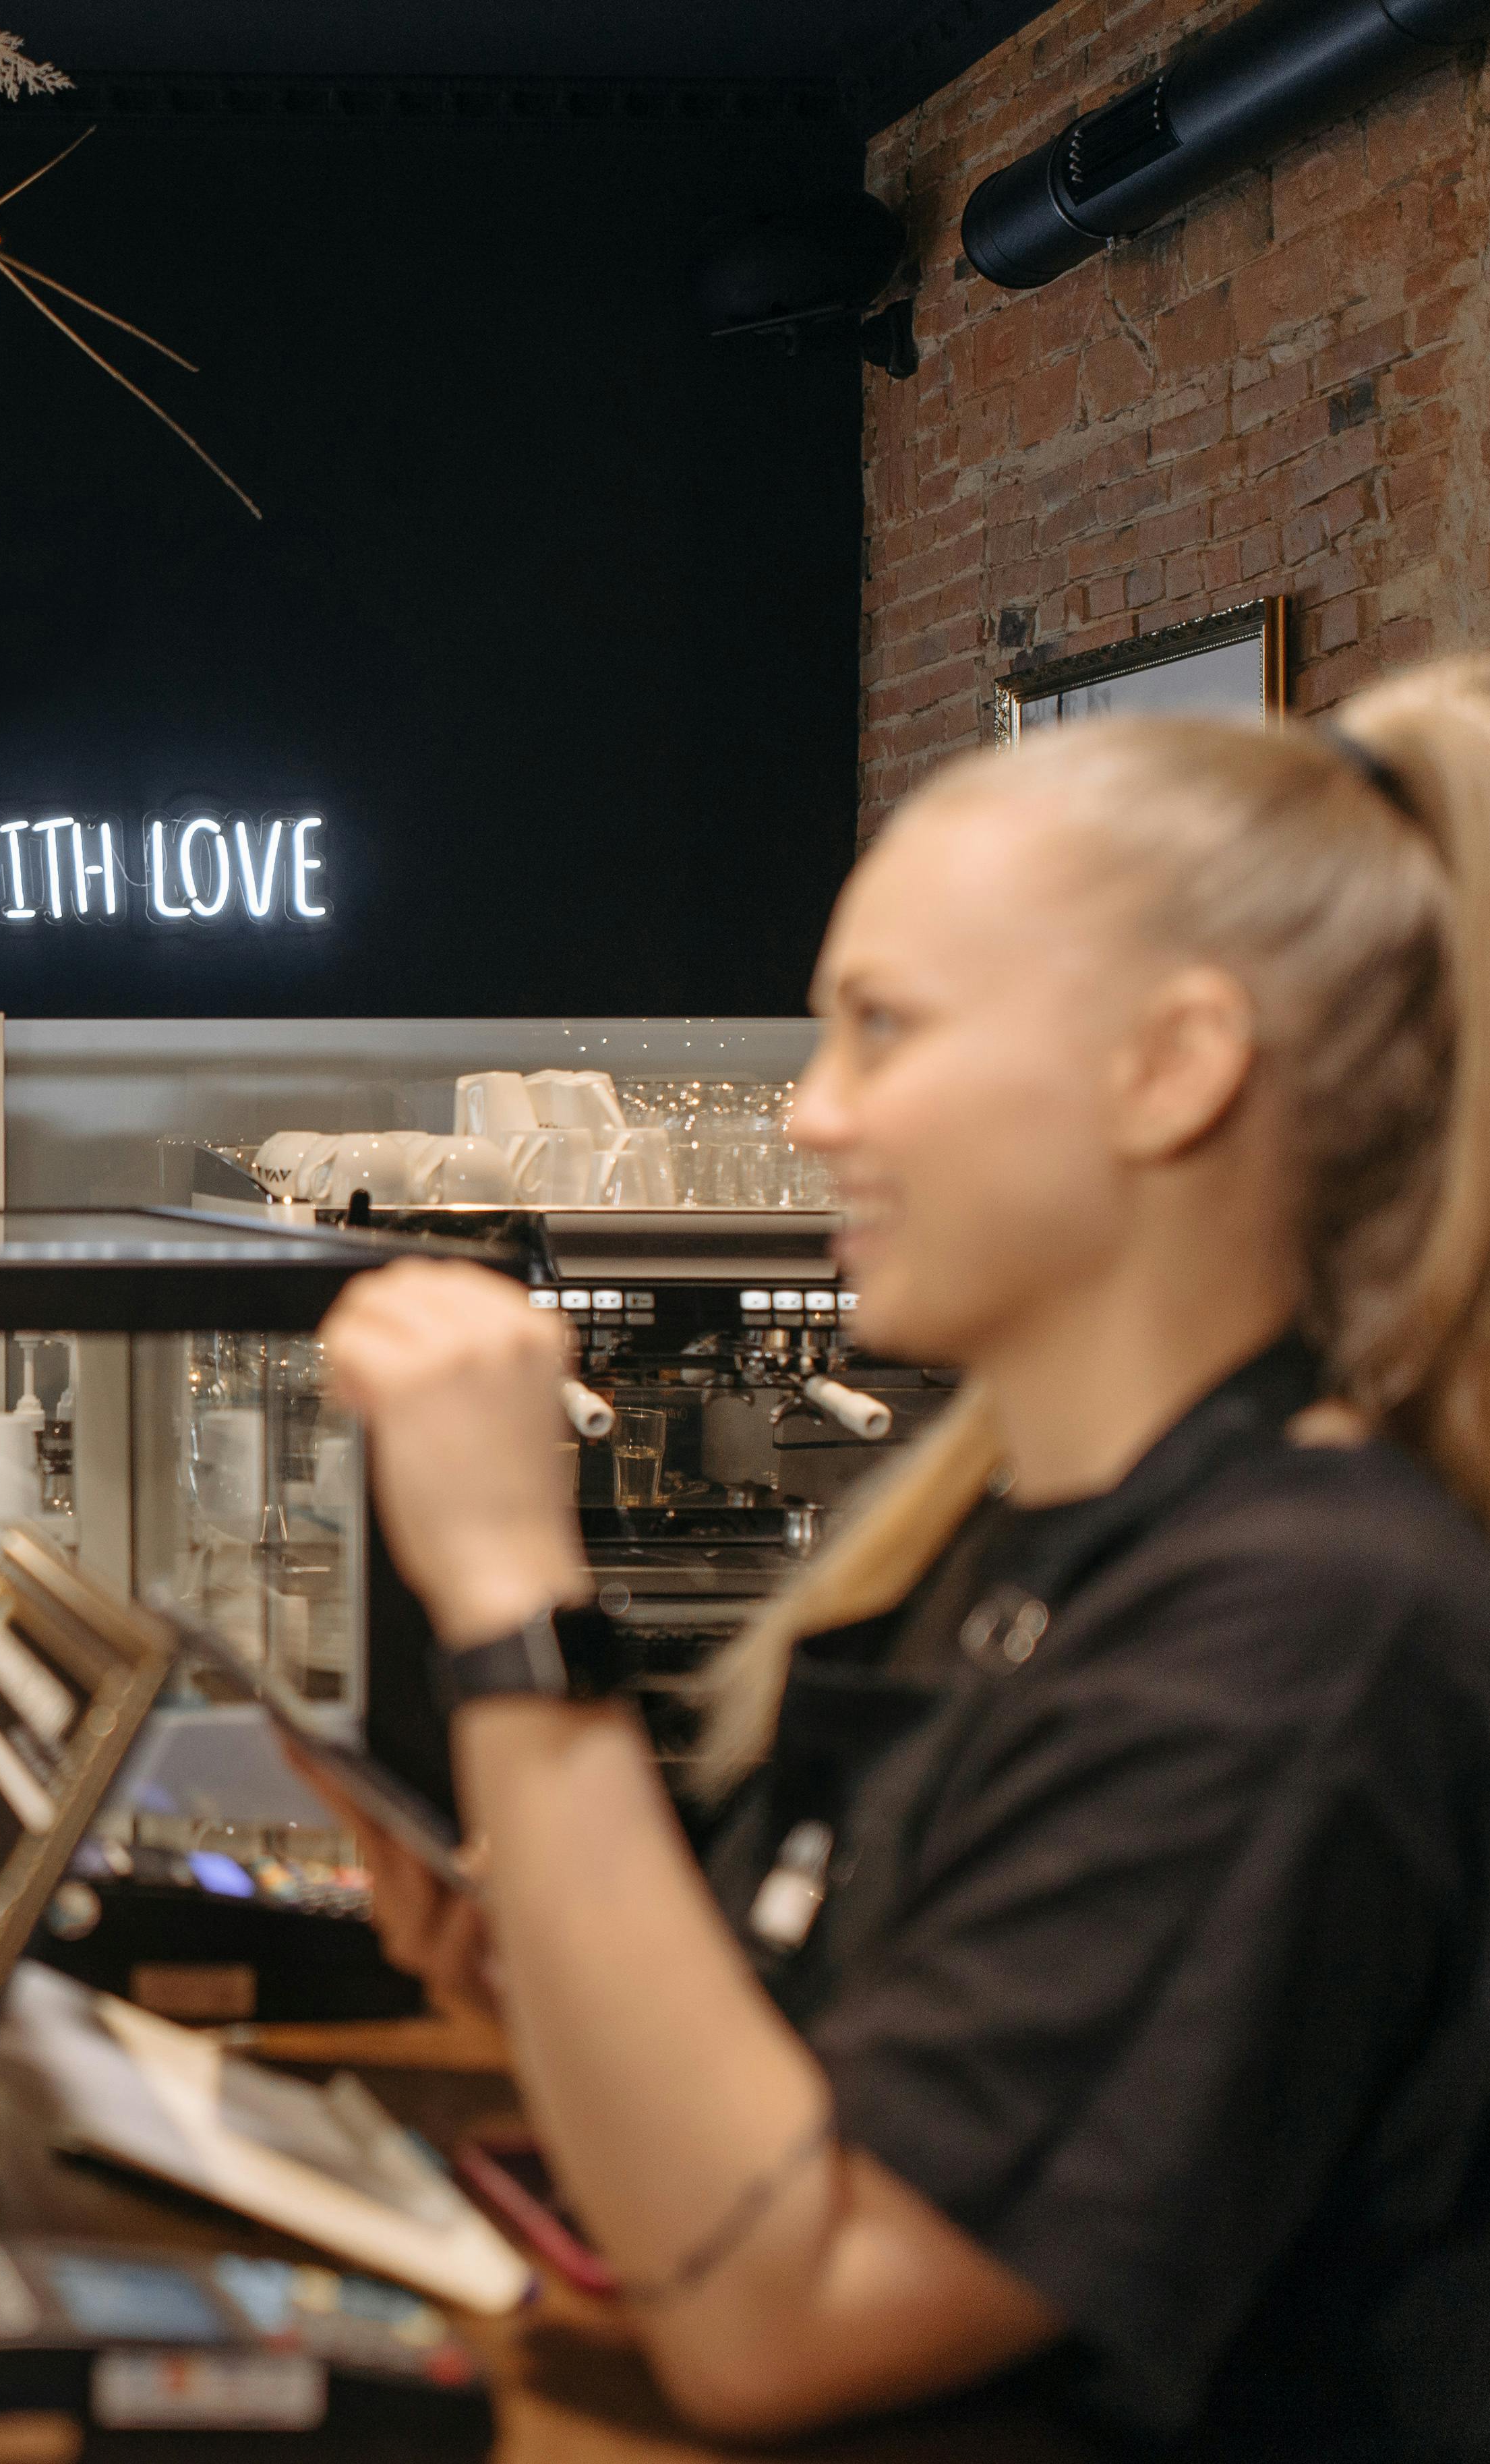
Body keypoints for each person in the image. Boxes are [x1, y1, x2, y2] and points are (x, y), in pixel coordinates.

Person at [309, 667, 1490, 2458]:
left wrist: (501, 1595)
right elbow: (816, 2104)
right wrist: (543, 1950)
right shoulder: (1010, 1544)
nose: (812, 1117)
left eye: (882, 1030)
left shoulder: (1308, 1621)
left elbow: (780, 2318)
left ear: (1169, 1068)